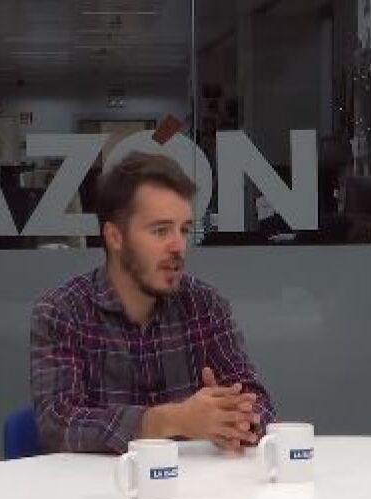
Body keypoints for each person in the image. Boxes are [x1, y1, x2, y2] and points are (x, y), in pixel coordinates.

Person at [31, 151, 275, 454]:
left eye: (183, 229)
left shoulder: (205, 305)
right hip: (100, 482)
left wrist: (235, 417)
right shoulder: (63, 312)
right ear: (115, 237)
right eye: (161, 230)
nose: (178, 246)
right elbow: (56, 424)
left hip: (194, 480)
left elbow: (258, 402)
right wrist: (168, 421)